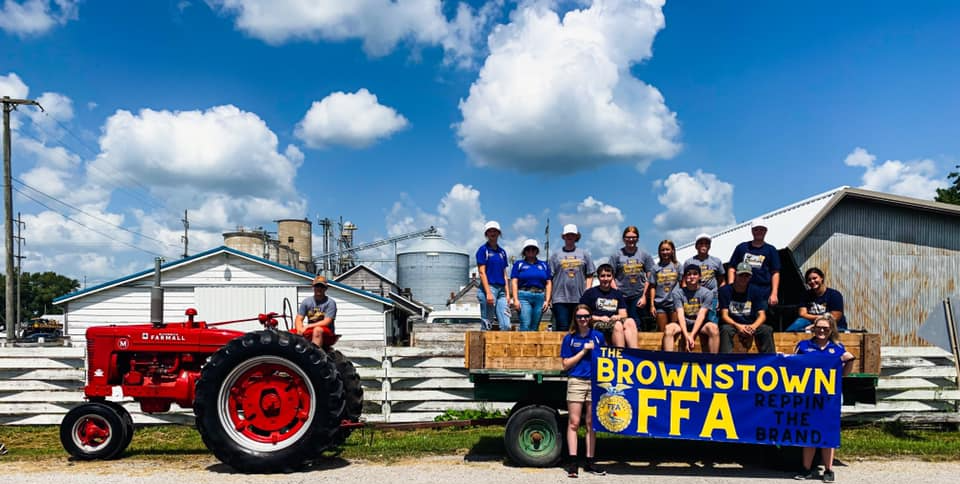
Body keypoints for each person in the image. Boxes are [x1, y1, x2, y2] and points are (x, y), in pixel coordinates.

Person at [793, 314, 855, 482]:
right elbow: (791, 368)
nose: (821, 330)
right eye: (818, 327)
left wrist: (849, 362)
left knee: (828, 432)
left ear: (831, 330)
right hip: (808, 396)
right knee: (808, 432)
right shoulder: (804, 346)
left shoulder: (838, 347)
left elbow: (843, 374)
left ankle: (828, 470)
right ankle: (806, 469)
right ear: (813, 328)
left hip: (829, 398)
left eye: (825, 328)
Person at [560, 304, 607, 478]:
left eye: (586, 316)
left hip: (594, 382)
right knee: (573, 422)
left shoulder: (598, 337)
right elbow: (565, 364)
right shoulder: (569, 339)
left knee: (591, 423)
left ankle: (590, 461)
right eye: (580, 317)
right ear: (575, 318)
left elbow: (606, 359)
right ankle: (573, 462)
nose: (583, 319)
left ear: (590, 317)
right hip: (576, 382)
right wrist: (583, 351)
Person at [718, 262, 775, 353]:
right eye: (741, 275)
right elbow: (724, 315)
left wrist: (753, 327)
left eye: (747, 276)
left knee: (766, 330)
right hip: (733, 324)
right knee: (725, 330)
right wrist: (738, 326)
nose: (743, 278)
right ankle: (725, 360)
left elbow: (762, 315)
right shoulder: (725, 291)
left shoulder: (756, 290)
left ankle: (769, 360)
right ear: (736, 275)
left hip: (751, 324)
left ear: (750, 277)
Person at [580, 263, 638, 348]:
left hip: (613, 321)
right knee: (618, 325)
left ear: (612, 277)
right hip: (596, 322)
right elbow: (581, 314)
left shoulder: (617, 293)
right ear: (598, 277)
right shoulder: (590, 293)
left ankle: (635, 353)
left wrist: (617, 317)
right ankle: (620, 354)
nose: (606, 279)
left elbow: (624, 314)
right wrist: (599, 318)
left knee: (630, 321)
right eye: (603, 276)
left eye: (608, 276)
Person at [550, 224, 595, 332]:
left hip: (579, 298)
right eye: (567, 235)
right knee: (562, 327)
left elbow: (590, 274)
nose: (570, 237)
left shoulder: (584, 254)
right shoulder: (556, 255)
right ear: (563, 236)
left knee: (579, 327)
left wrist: (587, 291)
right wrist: (550, 297)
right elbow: (550, 278)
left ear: (576, 236)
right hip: (560, 298)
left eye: (572, 235)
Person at [610, 226, 656, 331]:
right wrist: (616, 292)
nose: (631, 240)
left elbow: (650, 276)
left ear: (638, 239)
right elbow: (610, 275)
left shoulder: (645, 255)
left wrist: (645, 296)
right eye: (628, 237)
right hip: (621, 294)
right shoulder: (616, 255)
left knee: (636, 322)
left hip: (638, 294)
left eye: (634, 237)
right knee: (621, 322)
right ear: (623, 239)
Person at [664, 264, 718, 352]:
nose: (691, 276)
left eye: (695, 274)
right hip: (683, 323)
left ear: (700, 277)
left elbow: (701, 315)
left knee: (714, 328)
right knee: (668, 329)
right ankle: (668, 361)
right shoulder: (677, 293)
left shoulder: (707, 293)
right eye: (688, 274)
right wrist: (686, 336)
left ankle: (713, 361)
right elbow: (680, 315)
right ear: (685, 277)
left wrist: (692, 335)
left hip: (701, 324)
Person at [727, 220, 781, 309]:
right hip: (742, 290)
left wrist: (774, 293)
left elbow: (775, 272)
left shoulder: (771, 250)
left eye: (761, 229)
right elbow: (732, 268)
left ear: (766, 231)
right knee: (741, 316)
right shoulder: (742, 247)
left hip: (763, 291)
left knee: (761, 316)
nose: (759, 232)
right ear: (752, 231)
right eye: (756, 230)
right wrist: (731, 286)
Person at [786, 268, 847, 332]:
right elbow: (802, 314)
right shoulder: (805, 295)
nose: (812, 281)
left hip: (833, 324)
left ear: (822, 278)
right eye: (809, 280)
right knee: (798, 323)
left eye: (815, 278)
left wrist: (816, 325)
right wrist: (819, 319)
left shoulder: (834, 295)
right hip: (811, 321)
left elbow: (835, 317)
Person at [510, 239, 552, 332]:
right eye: (528, 249)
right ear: (524, 251)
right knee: (525, 324)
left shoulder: (544, 265)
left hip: (540, 296)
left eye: (533, 249)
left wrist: (547, 300)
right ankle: (522, 346)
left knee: (535, 326)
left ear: (537, 251)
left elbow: (548, 283)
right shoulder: (519, 264)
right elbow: (514, 282)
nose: (531, 251)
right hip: (524, 295)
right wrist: (515, 299)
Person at [682, 233, 725, 324]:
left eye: (706, 243)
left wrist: (720, 299)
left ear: (709, 246)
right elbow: (684, 282)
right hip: (694, 298)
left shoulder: (716, 261)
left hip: (712, 297)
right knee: (694, 323)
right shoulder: (689, 262)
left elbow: (722, 282)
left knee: (712, 323)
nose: (704, 246)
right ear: (696, 246)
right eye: (701, 243)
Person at [477, 221, 511, 331]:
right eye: (490, 231)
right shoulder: (483, 250)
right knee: (487, 323)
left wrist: (507, 293)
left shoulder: (502, 252)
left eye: (495, 231)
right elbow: (482, 272)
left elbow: (504, 273)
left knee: (506, 325)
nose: (493, 233)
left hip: (501, 290)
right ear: (486, 234)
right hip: (489, 287)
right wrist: (488, 293)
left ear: (499, 233)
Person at [294, 275, 338, 346]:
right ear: (313, 287)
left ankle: (315, 355)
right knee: (291, 332)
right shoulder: (306, 301)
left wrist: (308, 326)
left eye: (322, 287)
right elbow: (299, 318)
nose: (319, 288)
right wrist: (299, 329)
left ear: (326, 289)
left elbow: (327, 321)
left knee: (317, 330)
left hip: (326, 332)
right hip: (311, 329)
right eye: (317, 286)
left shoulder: (330, 303)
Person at [648, 240, 680, 332]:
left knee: (675, 331)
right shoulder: (655, 268)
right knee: (663, 332)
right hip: (660, 304)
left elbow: (683, 284)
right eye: (662, 250)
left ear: (672, 251)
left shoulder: (677, 266)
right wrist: (652, 305)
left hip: (674, 303)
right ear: (659, 252)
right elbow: (652, 287)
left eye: (667, 249)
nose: (665, 252)